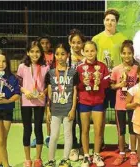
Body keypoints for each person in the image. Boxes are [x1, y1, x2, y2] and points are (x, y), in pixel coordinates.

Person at [76, 41, 110, 167]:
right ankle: (86, 155)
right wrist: (83, 83)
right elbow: (77, 87)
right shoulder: (79, 68)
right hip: (84, 101)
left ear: (96, 51)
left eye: (92, 50)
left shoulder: (102, 67)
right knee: (84, 130)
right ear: (83, 52)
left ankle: (96, 154)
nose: (90, 53)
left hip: (98, 102)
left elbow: (107, 84)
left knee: (98, 130)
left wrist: (99, 80)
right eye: (87, 51)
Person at [44, 44, 78, 167]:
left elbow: (75, 92)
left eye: (63, 54)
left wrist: (73, 109)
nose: (60, 57)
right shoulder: (51, 73)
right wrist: (48, 109)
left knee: (68, 134)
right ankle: (51, 160)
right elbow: (49, 93)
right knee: (54, 135)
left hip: (68, 109)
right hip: (55, 109)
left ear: (68, 55)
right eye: (57, 54)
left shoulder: (73, 73)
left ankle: (65, 159)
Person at [17, 41, 50, 167]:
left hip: (39, 102)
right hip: (26, 101)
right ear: (27, 53)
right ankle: (27, 159)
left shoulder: (45, 67)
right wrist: (25, 91)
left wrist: (44, 93)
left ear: (41, 53)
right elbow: (18, 84)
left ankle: (38, 158)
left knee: (38, 128)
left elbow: (48, 85)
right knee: (27, 129)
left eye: (37, 51)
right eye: (32, 51)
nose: (35, 54)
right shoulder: (22, 67)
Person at [110, 40, 139, 166]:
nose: (127, 56)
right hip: (120, 105)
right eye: (124, 53)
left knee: (133, 130)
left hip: (132, 105)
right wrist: (119, 85)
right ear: (121, 54)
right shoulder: (116, 69)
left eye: (129, 53)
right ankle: (122, 153)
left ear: (133, 54)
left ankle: (133, 153)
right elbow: (111, 85)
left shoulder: (137, 69)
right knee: (121, 131)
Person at [68, 29, 86, 161]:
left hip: (84, 95)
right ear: (70, 43)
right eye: (73, 42)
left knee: (82, 122)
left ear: (83, 43)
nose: (76, 45)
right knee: (71, 122)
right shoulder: (66, 58)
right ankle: (73, 148)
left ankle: (82, 147)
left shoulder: (87, 58)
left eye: (79, 42)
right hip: (69, 95)